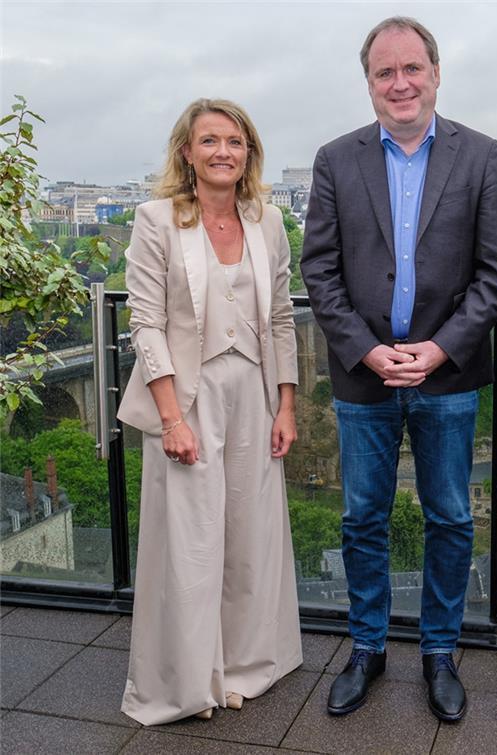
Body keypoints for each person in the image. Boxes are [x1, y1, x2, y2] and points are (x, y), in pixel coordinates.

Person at [301, 16, 497, 722]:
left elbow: (492, 276)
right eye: (385, 72)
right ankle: (366, 648)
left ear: (436, 72)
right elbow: (320, 273)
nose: (400, 83)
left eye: (411, 68)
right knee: (363, 517)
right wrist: (367, 349)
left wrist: (438, 348)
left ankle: (438, 651)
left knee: (450, 517)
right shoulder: (335, 159)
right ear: (368, 83)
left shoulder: (481, 156)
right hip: (364, 380)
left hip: (446, 379)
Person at [117, 98, 302, 725]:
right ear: (186, 151)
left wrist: (287, 405)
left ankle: (246, 666)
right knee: (192, 543)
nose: (223, 151)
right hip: (187, 397)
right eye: (210, 140)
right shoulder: (155, 219)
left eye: (235, 141)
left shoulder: (267, 221)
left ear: (248, 153)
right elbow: (144, 324)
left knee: (250, 535)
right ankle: (191, 679)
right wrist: (171, 418)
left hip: (252, 392)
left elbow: (280, 318)